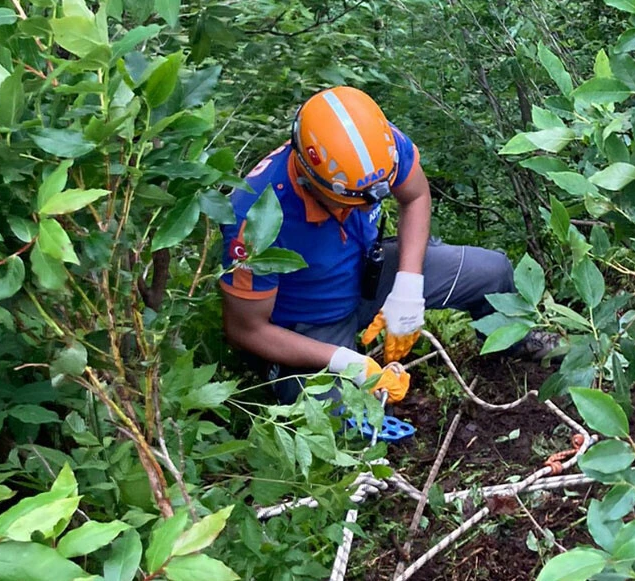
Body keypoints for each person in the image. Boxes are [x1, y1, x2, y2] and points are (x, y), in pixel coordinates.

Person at [219, 86, 558, 406]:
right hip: (309, 324)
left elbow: (416, 196)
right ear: (310, 179)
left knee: (492, 272)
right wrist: (344, 361)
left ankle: (511, 351)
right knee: (338, 418)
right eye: (349, 201)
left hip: (371, 273)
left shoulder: (378, 147)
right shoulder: (255, 216)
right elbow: (246, 330)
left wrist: (409, 285)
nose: (365, 208)